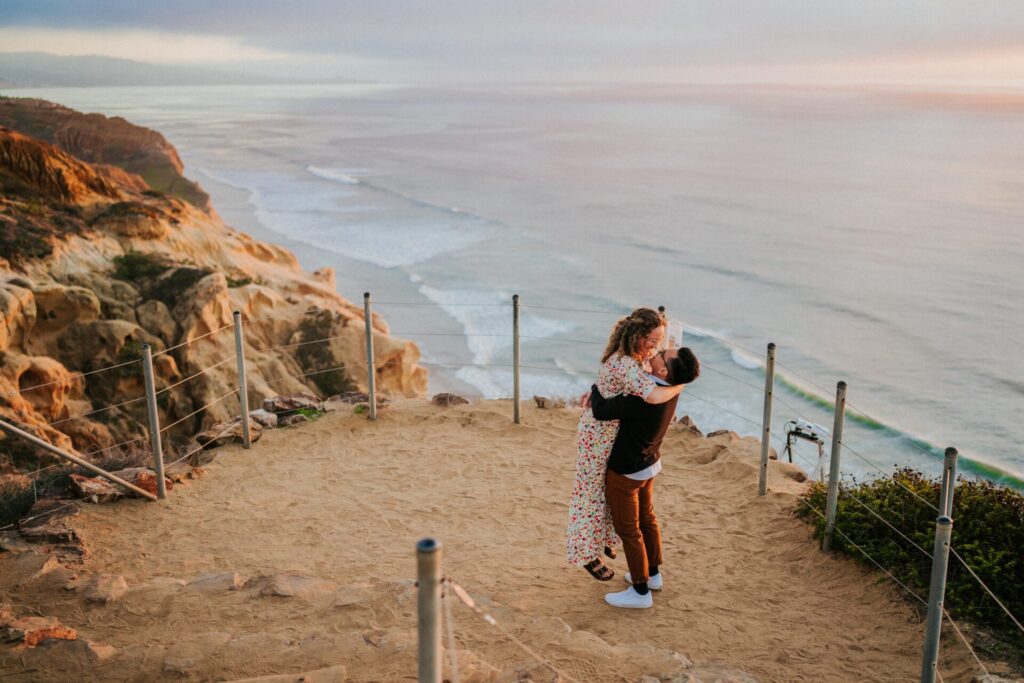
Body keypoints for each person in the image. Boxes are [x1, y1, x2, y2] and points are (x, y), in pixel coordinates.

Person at [565, 309, 685, 582]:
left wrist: (595, 388)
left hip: (614, 434)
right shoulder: (626, 365)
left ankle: (604, 540)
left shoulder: (639, 358)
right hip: (598, 436)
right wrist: (680, 386)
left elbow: (618, 385)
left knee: (609, 493)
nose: (657, 347)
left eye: (660, 340)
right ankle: (586, 553)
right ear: (636, 336)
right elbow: (653, 396)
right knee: (590, 495)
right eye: (653, 340)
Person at [589, 347, 700, 608]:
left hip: (627, 470)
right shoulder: (671, 389)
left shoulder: (645, 396)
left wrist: (596, 385)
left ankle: (640, 591)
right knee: (647, 519)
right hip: (649, 463)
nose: (656, 352)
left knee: (629, 529)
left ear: (663, 371)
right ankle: (653, 575)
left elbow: (602, 409)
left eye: (661, 353)